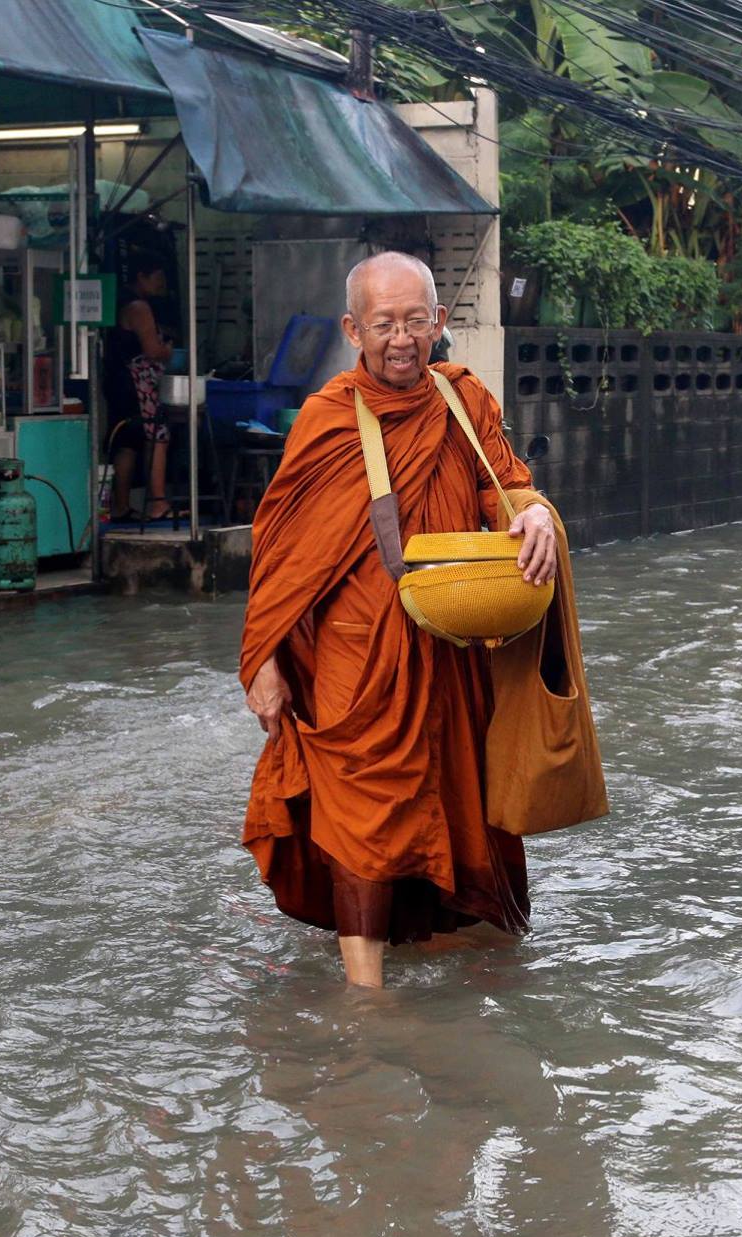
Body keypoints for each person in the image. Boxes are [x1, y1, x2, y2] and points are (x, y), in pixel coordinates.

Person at [239, 252, 559, 989]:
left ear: (440, 323)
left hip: (454, 648)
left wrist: (537, 514)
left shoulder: (464, 402)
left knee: (461, 794)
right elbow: (279, 550)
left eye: (417, 320)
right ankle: (365, 996)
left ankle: (456, 944)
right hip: (357, 658)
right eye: (384, 324)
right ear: (354, 329)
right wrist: (263, 660)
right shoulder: (325, 420)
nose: (403, 338)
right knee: (362, 809)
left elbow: (506, 486)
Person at [104, 257, 178, 522]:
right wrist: (167, 350)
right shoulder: (139, 307)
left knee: (128, 442)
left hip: (118, 382)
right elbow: (152, 350)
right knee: (158, 436)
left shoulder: (122, 303)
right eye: (158, 276)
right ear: (141, 277)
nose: (162, 283)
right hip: (137, 383)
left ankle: (120, 505)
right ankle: (158, 503)